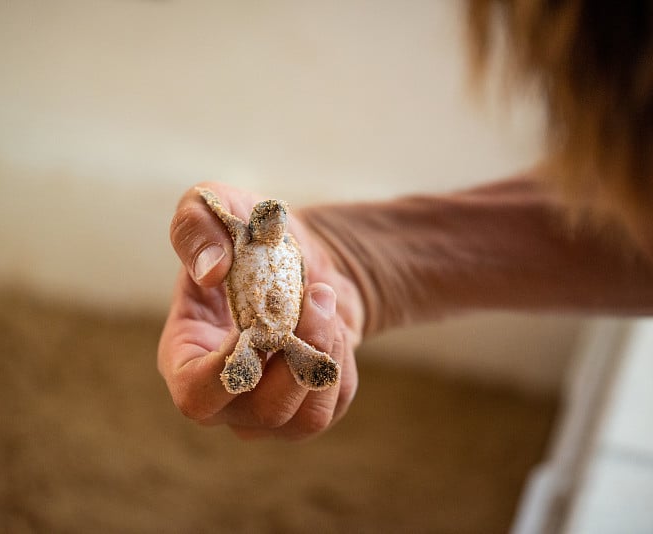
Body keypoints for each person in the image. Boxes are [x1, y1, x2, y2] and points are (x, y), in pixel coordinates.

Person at [157, 0, 653, 440]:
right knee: (268, 353)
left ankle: (260, 359)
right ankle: (251, 360)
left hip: (270, 323)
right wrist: (359, 260)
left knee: (279, 351)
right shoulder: (258, 241)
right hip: (273, 319)